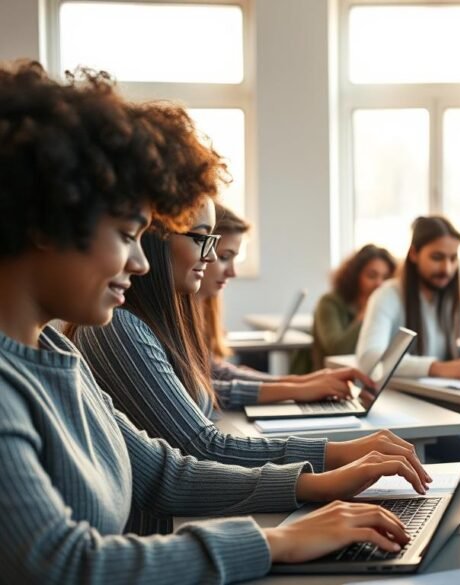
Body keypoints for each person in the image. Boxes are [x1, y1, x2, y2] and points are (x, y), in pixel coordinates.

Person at [0, 61, 409, 582]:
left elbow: (163, 474)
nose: (140, 261)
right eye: (127, 235)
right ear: (44, 225)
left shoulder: (61, 358)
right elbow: (64, 566)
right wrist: (275, 541)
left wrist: (315, 485)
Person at [198, 202, 374, 393]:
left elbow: (216, 372)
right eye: (224, 257)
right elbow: (206, 388)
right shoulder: (331, 303)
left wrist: (304, 382)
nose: (233, 273)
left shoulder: (205, 306)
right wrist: (299, 388)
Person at [356, 216, 460, 380]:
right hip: (395, 398)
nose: (447, 268)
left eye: (452, 258)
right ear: (414, 254)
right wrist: (437, 368)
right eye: (437, 257)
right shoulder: (387, 296)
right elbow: (369, 358)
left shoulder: (451, 302)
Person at [306, 243, 396, 369]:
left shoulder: (391, 306)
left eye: (385, 277)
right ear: (355, 276)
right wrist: (367, 314)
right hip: (330, 379)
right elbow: (338, 350)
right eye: (372, 276)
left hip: (370, 375)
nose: (379, 284)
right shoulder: (329, 303)